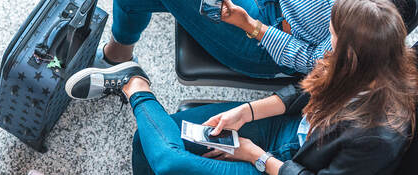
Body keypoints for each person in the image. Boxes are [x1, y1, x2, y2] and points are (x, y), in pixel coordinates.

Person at [66, 0, 417, 174]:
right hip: (294, 127)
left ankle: (134, 83)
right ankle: (130, 77)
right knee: (146, 141)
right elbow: (308, 89)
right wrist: (246, 111)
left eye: (333, 35)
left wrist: (256, 155)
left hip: (289, 158)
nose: (329, 38)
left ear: (353, 56)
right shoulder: (369, 64)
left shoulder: (378, 137)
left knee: (169, 159)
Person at [98, 0, 413, 79]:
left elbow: (310, 62)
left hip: (265, 43)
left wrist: (253, 26)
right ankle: (118, 59)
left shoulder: (376, 21)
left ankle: (117, 59)